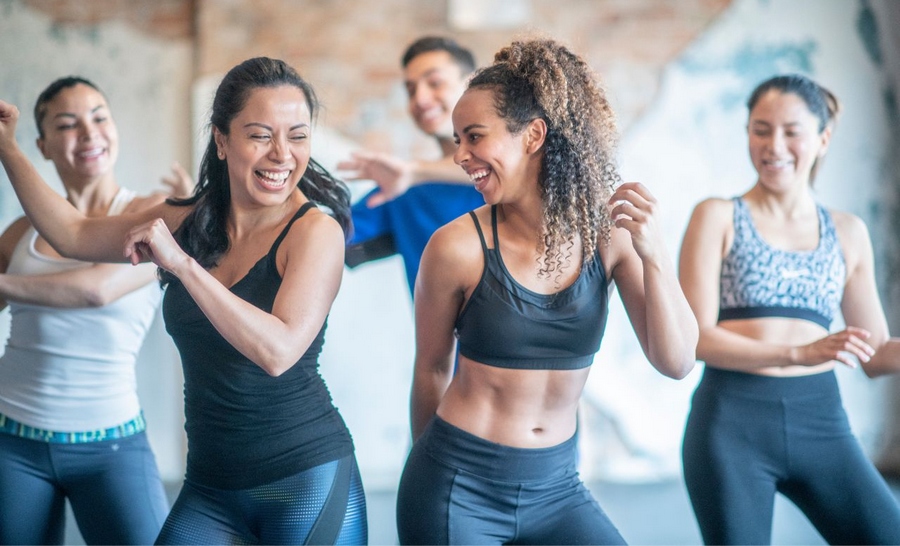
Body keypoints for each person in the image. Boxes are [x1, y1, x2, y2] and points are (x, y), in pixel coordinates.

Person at [0, 57, 367, 545]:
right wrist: (6, 147)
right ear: (221, 140)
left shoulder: (315, 231)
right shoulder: (192, 217)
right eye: (260, 134)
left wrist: (183, 265)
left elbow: (278, 351)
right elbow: (71, 234)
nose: (282, 154)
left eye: (297, 136)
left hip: (303, 477)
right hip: (211, 487)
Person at [395, 38, 698, 545]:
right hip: (456, 483)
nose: (460, 156)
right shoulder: (455, 248)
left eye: (474, 137)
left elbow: (677, 359)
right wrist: (430, 484)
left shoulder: (611, 234)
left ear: (533, 134)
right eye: (457, 141)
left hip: (557, 488)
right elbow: (430, 369)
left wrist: (656, 254)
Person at [679, 74, 900, 544]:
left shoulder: (848, 232)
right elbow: (693, 337)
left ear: (822, 138)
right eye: (761, 129)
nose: (774, 145)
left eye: (791, 131)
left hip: (821, 422)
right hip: (730, 426)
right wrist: (798, 352)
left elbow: (875, 355)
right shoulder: (716, 215)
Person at [0, 76, 173, 545]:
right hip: (11, 438)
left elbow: (96, 289)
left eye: (99, 117)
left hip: (111, 443)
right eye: (68, 124)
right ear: (43, 144)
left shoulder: (154, 218)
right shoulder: (19, 234)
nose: (90, 133)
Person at [339, 36, 484, 295]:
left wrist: (415, 171)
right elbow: (332, 236)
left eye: (435, 82)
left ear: (472, 84)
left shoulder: (523, 169)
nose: (421, 99)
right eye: (411, 89)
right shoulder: (405, 189)